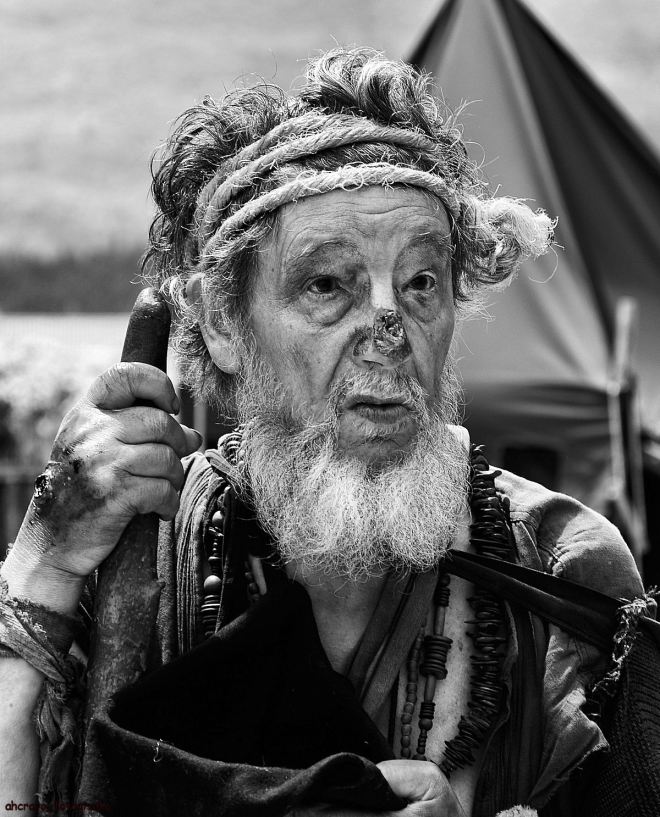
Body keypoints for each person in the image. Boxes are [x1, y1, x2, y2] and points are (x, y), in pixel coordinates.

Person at [0, 48, 650, 817]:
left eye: (420, 283)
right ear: (222, 324)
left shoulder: (567, 568)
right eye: (327, 283)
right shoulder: (133, 554)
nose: (389, 327)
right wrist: (44, 562)